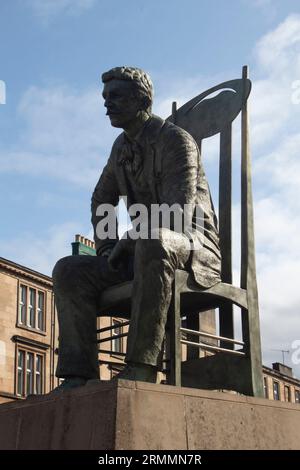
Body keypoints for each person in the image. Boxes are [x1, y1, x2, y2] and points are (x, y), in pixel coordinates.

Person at [52, 66, 221, 391]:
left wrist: (134, 236)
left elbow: (178, 213)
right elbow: (102, 198)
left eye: (115, 96)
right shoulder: (120, 148)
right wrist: (105, 249)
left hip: (192, 247)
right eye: (104, 97)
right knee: (68, 270)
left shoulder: (176, 141)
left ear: (141, 99)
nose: (106, 105)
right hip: (142, 249)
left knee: (153, 240)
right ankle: (78, 375)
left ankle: (142, 368)